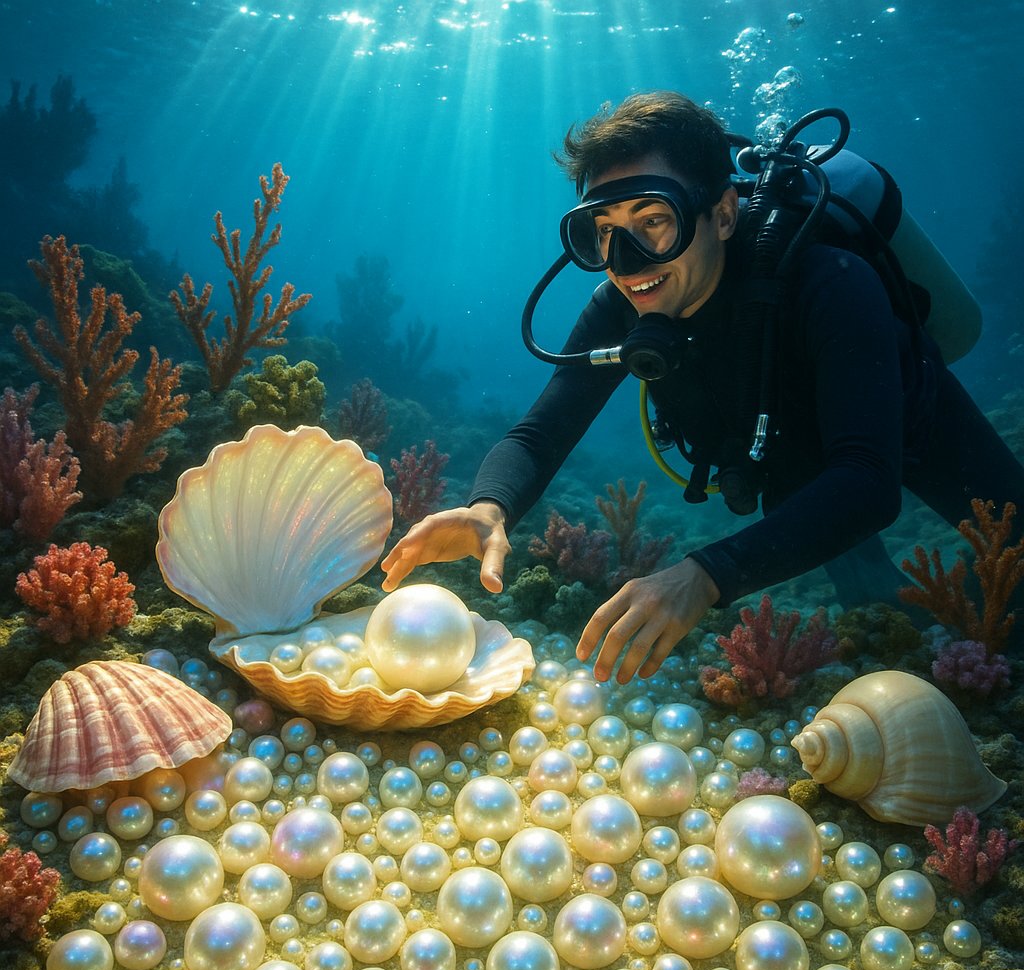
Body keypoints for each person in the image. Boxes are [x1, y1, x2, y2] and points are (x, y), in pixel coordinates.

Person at [381, 91, 1024, 685]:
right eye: (603, 231)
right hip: (793, 466)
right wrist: (490, 507)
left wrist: (706, 576)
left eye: (652, 220)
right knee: (878, 614)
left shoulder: (829, 281)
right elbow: (541, 431)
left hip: (911, 423)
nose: (627, 261)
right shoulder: (619, 307)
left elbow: (868, 479)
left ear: (720, 215)